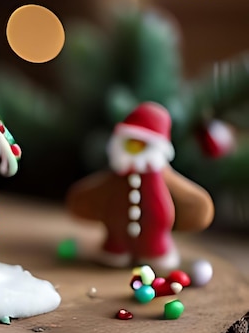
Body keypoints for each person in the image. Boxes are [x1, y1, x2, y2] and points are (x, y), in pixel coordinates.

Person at [66, 101, 214, 269]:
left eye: (141, 144)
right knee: (115, 240)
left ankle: (154, 253)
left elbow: (193, 201)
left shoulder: (163, 175)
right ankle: (116, 250)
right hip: (115, 240)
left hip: (155, 242)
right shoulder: (115, 176)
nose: (135, 148)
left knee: (154, 247)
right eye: (131, 143)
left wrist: (198, 208)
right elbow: (90, 194)